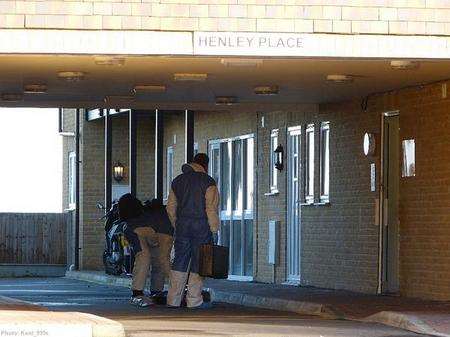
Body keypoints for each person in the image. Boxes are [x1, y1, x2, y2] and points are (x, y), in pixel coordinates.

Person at [166, 153, 220, 309]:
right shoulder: (208, 181)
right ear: (206, 165)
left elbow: (170, 208)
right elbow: (211, 209)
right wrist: (214, 229)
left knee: (179, 262)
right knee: (199, 263)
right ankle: (194, 300)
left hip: (182, 226)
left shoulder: (177, 181)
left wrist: (177, 224)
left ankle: (173, 299)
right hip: (202, 227)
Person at [118, 193, 174, 307]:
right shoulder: (160, 214)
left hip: (140, 229)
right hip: (161, 230)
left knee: (144, 257)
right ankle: (156, 290)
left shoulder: (131, 222)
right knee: (159, 260)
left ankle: (139, 291)